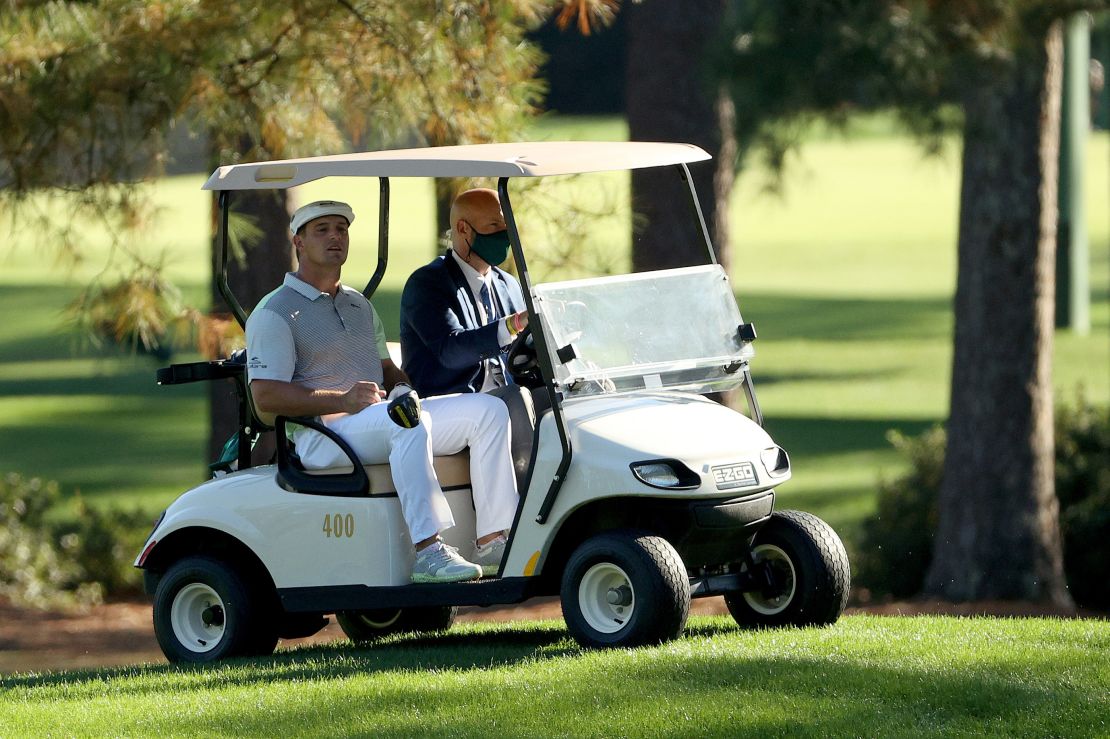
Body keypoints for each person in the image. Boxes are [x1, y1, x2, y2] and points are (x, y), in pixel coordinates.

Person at [245, 200, 518, 583]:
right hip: (321, 434)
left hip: (373, 420)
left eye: (341, 229)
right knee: (407, 420)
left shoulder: (358, 305)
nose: (335, 236)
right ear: (299, 242)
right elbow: (266, 398)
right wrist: (341, 400)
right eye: (321, 230)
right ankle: (429, 551)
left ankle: (494, 540)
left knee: (488, 411)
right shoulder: (275, 312)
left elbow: (388, 370)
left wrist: (403, 387)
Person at [399, 188, 529, 396]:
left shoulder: (508, 284)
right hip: (450, 403)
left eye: (506, 225)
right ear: (463, 229)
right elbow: (451, 351)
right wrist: (514, 324)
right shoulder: (428, 284)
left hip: (503, 398)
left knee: (554, 400)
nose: (504, 234)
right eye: (495, 225)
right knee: (517, 398)